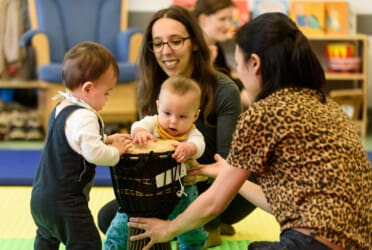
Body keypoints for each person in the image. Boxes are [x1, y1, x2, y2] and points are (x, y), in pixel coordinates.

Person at [127, 12, 372, 250]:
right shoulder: (327, 105)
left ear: (254, 63)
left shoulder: (262, 114)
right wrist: (226, 172)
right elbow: (288, 202)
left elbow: (214, 203)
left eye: (238, 63)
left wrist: (168, 229)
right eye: (158, 44)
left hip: (313, 242)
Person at [98, 4, 256, 248]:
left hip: (211, 183)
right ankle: (192, 226)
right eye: (158, 43)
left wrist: (195, 170)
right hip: (165, 187)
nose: (166, 51)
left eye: (175, 41)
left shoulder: (224, 89)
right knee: (109, 218)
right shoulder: (150, 87)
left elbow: (229, 160)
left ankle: (206, 222)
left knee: (250, 180)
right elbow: (146, 149)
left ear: (193, 43)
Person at [30, 41, 133, 250]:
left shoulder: (61, 107)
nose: (107, 99)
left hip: (40, 197)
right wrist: (116, 152)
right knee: (86, 243)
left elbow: (74, 143)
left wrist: (107, 139)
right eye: (106, 93)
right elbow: (94, 153)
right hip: (66, 202)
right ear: (88, 88)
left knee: (47, 238)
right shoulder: (85, 115)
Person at [104, 75, 208, 250]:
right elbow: (138, 125)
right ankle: (112, 247)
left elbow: (200, 145)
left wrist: (189, 148)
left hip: (182, 193)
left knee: (192, 229)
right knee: (122, 225)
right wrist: (140, 133)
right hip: (143, 194)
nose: (173, 121)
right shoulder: (153, 123)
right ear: (158, 106)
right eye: (167, 113)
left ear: (195, 115)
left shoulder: (192, 133)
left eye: (182, 116)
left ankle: (193, 246)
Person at [194, 0, 251, 109]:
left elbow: (226, 78)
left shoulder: (216, 46)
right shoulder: (194, 50)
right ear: (203, 19)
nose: (228, 25)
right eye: (222, 19)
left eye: (230, 19)